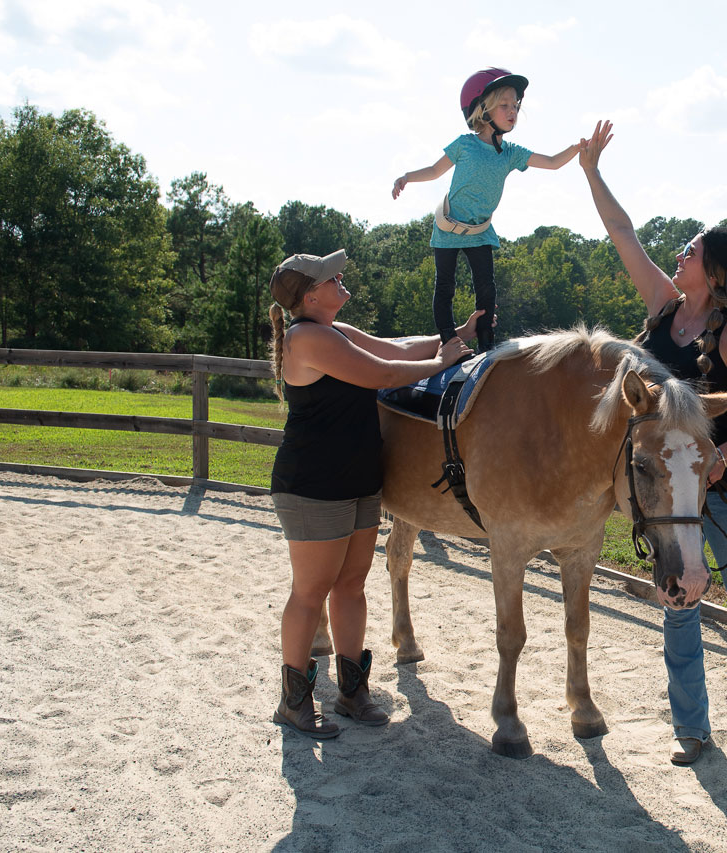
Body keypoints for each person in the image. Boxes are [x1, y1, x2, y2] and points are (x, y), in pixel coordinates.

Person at [578, 121, 727, 794]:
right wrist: (592, 171)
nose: (676, 255)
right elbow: (622, 233)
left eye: (688, 251)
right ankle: (692, 729)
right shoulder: (660, 309)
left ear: (710, 272)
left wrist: (723, 454)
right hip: (670, 494)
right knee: (677, 604)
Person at [267, 249, 477, 738]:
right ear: (310, 295)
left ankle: (351, 692)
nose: (339, 278)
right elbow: (381, 375)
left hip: (359, 479)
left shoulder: (335, 331)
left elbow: (396, 350)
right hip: (313, 487)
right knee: (310, 591)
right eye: (328, 276)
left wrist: (457, 336)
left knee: (350, 586)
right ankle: (294, 702)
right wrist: (441, 361)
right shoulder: (306, 338)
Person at [392, 67, 579, 354]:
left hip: (480, 230)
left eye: (515, 105)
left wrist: (579, 147)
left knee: (487, 289)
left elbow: (553, 162)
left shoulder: (511, 153)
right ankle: (449, 341)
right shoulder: (464, 145)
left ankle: (486, 344)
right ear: (482, 109)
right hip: (448, 227)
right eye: (504, 105)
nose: (513, 110)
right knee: (445, 287)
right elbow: (433, 170)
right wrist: (406, 176)